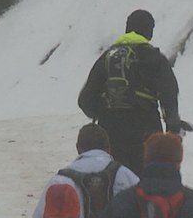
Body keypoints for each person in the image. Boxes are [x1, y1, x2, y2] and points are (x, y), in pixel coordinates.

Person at [77, 10, 183, 175]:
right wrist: (172, 129)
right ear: (149, 31)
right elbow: (169, 94)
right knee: (146, 180)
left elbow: (85, 100)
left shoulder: (107, 57)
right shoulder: (155, 58)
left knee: (116, 180)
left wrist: (103, 113)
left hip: (111, 130)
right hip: (146, 128)